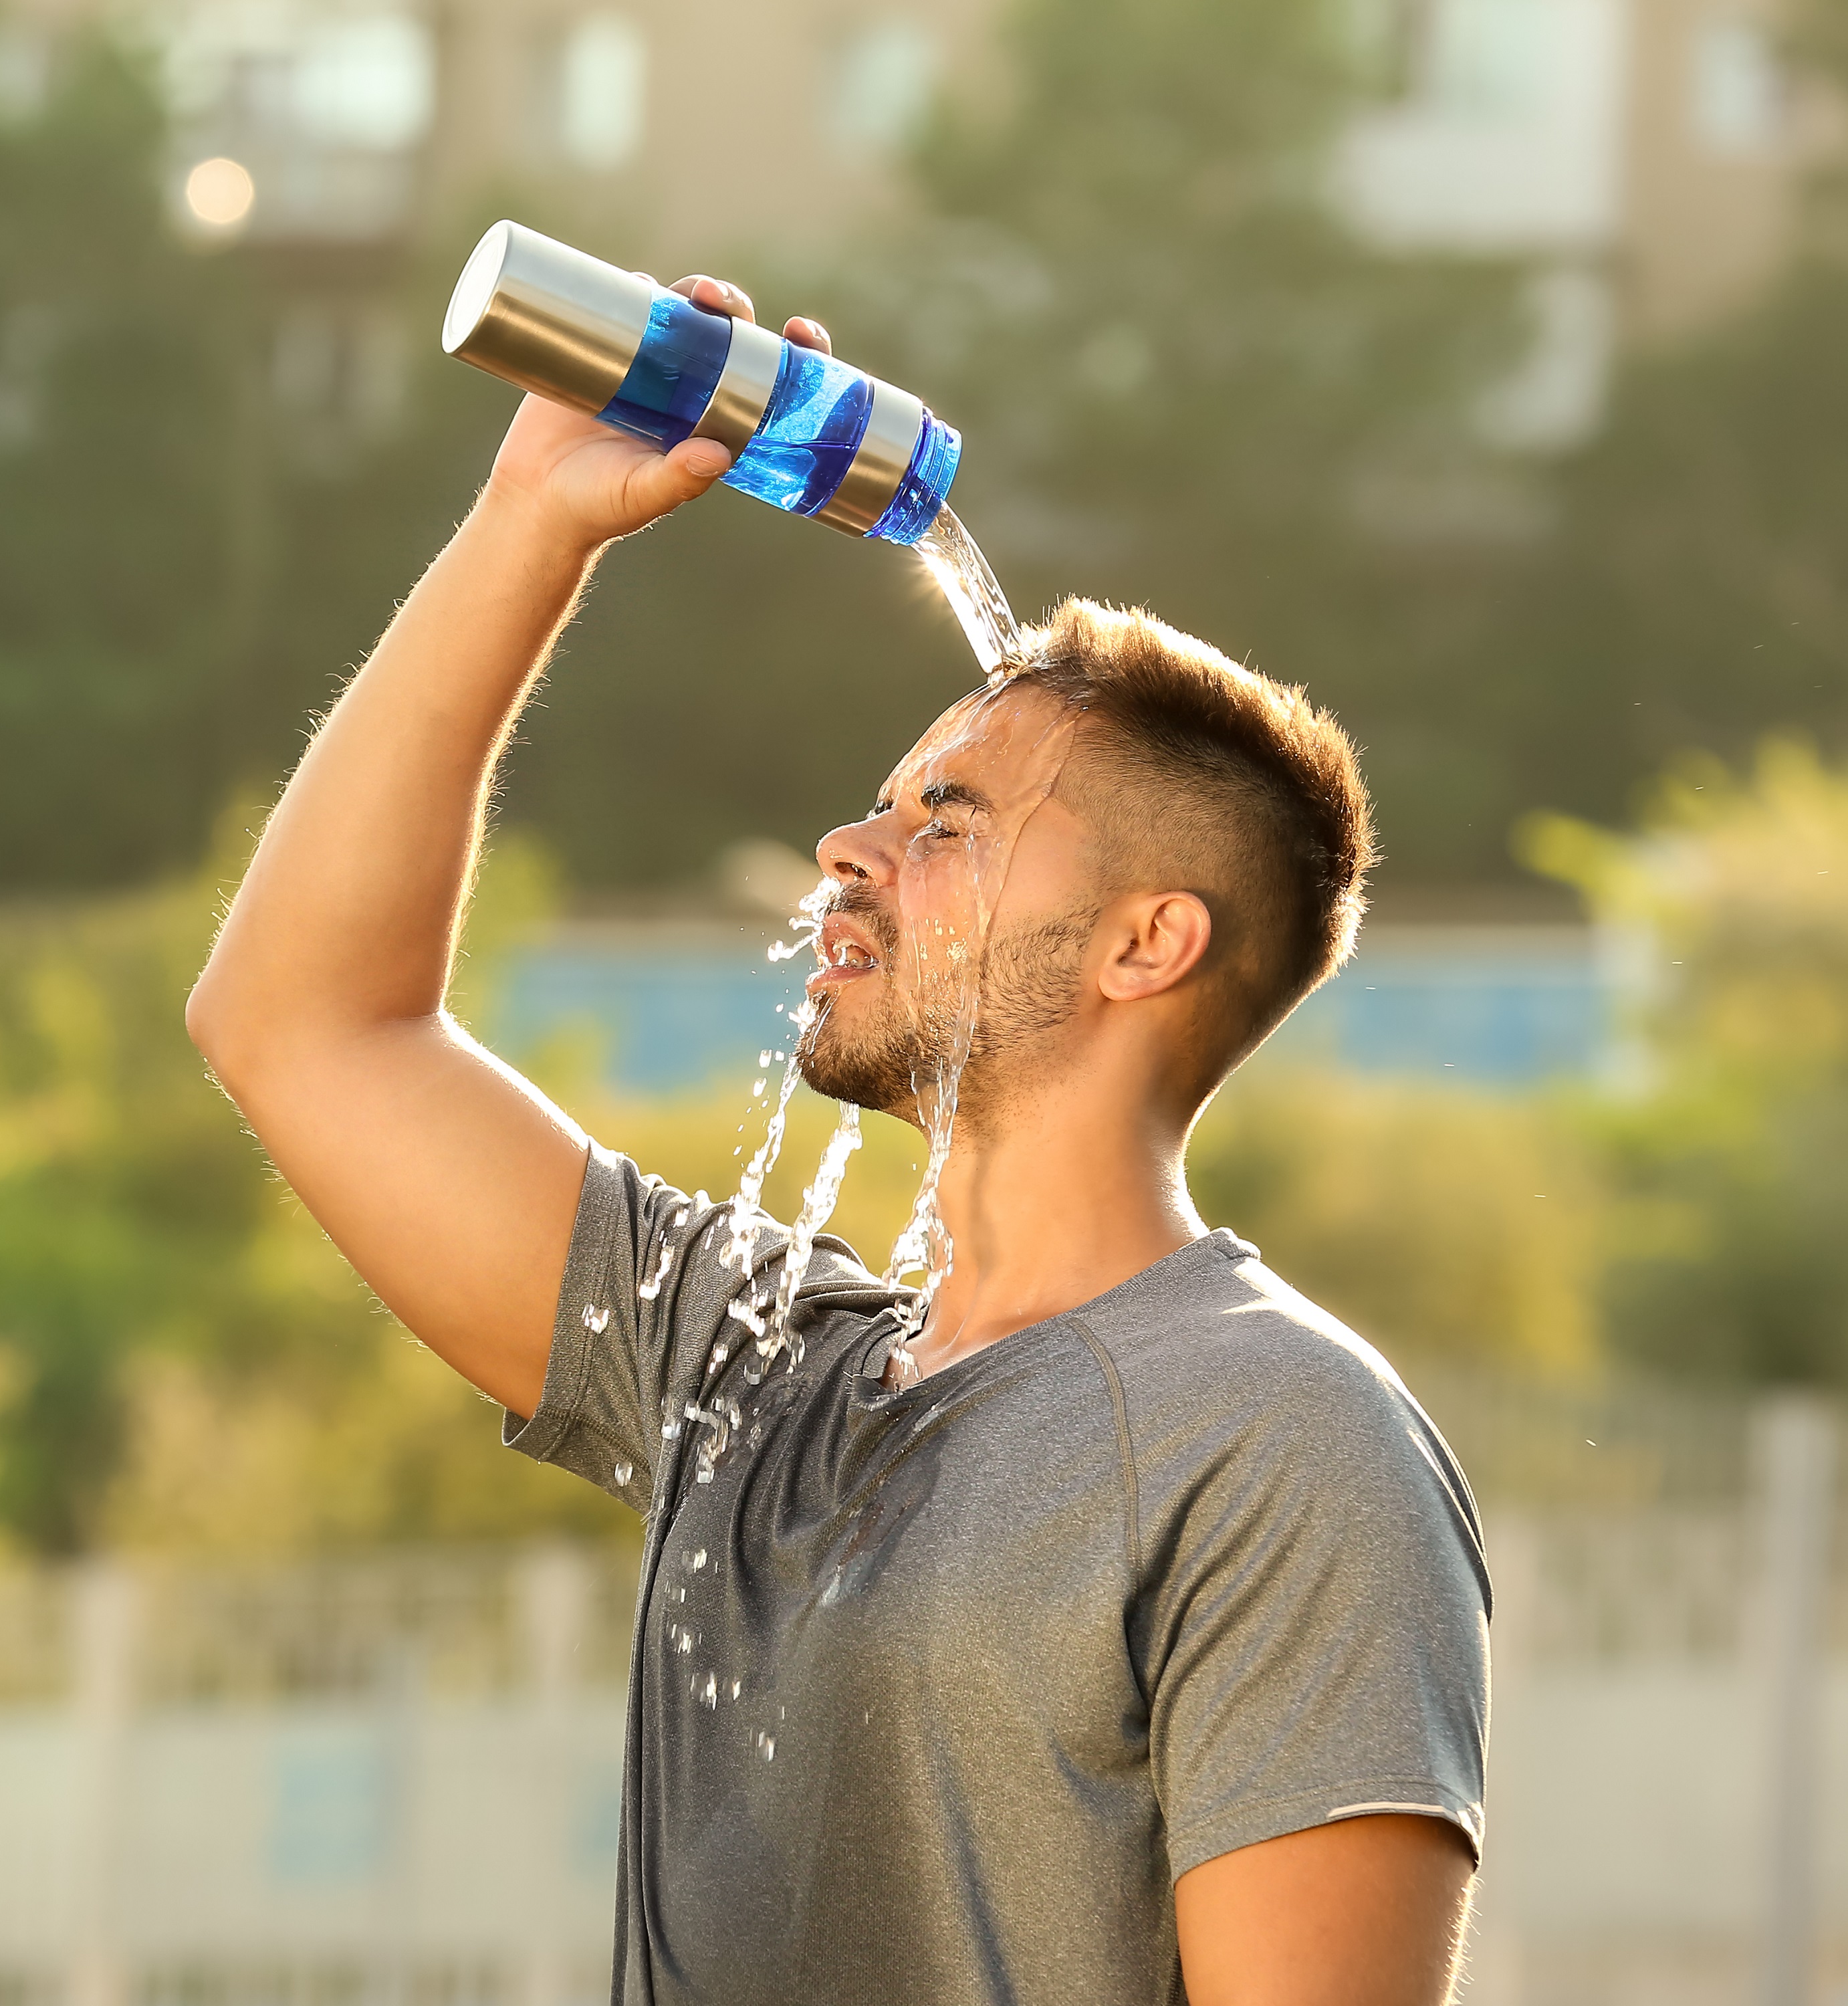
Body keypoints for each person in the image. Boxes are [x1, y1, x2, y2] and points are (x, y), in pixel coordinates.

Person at [186, 276, 1487, 2005]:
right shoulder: (752, 1377)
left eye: (944, 820)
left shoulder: (1275, 1436)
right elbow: (299, 1022)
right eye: (881, 807)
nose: (846, 849)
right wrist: (532, 525)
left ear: (1143, 945)